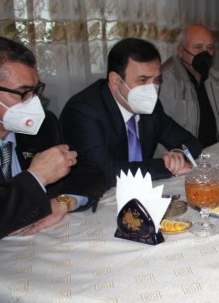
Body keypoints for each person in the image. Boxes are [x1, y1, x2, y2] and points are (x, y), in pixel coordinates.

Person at [0, 36, 105, 253]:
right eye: (23, 92)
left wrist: (64, 201)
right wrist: (36, 178)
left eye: (36, 90)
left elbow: (91, 172)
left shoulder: (43, 125)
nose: (34, 102)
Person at [60, 38, 202, 189]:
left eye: (156, 80)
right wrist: (165, 166)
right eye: (142, 80)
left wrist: (178, 155)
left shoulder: (150, 106)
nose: (152, 90)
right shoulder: (83, 111)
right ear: (115, 81)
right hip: (92, 195)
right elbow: (106, 173)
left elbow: (191, 142)